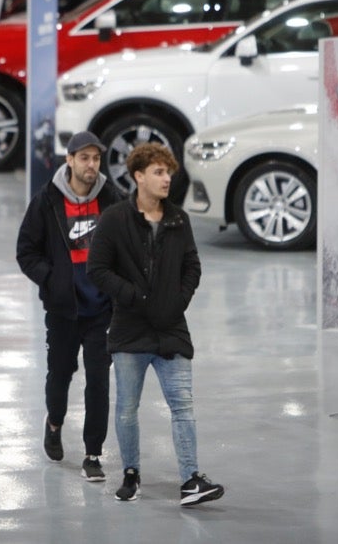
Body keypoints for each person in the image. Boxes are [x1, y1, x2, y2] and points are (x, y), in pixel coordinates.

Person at [88, 143, 225, 507]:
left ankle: (191, 480)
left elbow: (192, 266)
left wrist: (177, 300)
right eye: (159, 172)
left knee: (183, 406)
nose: (167, 179)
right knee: (127, 408)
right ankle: (131, 473)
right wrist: (132, 295)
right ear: (139, 176)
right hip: (130, 329)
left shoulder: (179, 219)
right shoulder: (115, 219)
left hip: (170, 329)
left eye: (169, 172)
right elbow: (97, 269)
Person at [16, 131, 122, 481]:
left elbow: (127, 245)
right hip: (63, 310)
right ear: (70, 160)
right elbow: (26, 251)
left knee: (98, 382)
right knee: (60, 375)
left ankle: (93, 453)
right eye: (85, 158)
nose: (92, 165)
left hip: (102, 310)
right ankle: (54, 421)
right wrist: (52, 280)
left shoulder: (112, 198)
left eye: (96, 158)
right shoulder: (47, 200)